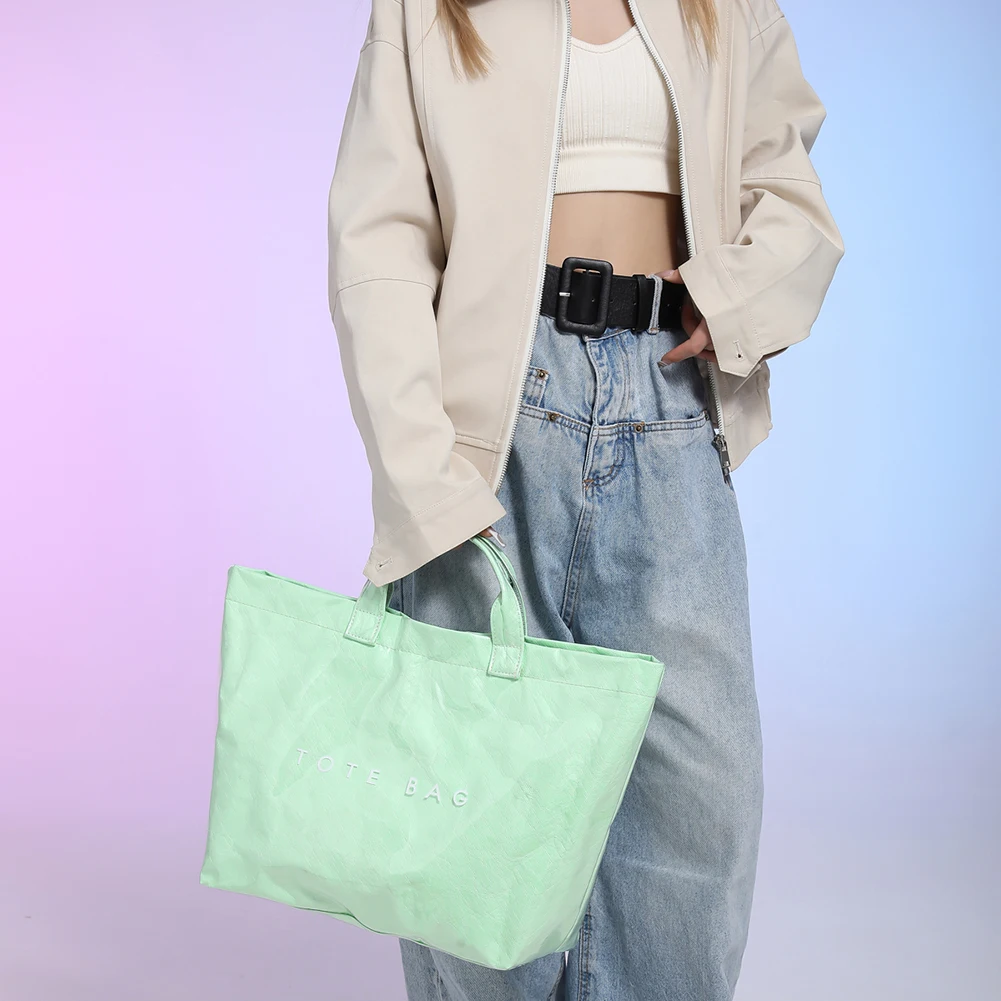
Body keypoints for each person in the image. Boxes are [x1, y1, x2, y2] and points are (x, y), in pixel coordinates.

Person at [327, 0, 844, 997]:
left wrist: (733, 295)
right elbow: (378, 239)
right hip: (490, 417)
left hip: (668, 402)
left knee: (694, 809)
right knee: (477, 814)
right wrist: (420, 469)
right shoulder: (429, 8)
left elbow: (788, 195)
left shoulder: (724, 8)